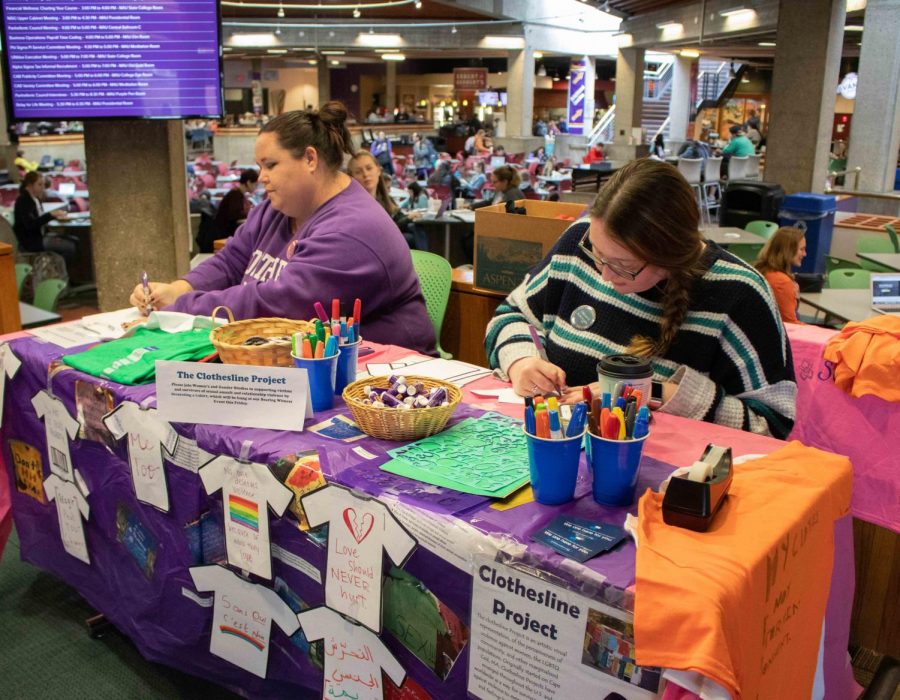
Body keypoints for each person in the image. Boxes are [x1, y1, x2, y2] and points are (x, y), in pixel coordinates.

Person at [484, 159, 796, 438]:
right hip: (558, 448)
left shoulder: (740, 294)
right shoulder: (579, 241)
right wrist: (521, 361)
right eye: (597, 254)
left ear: (671, 255)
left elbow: (771, 425)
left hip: (666, 480)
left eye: (624, 266)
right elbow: (511, 315)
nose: (604, 275)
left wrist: (656, 393)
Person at [130, 102, 435, 355]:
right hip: (298, 364)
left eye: (270, 165)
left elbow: (279, 306)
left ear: (310, 158)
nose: (261, 177)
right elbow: (231, 261)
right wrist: (180, 288)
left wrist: (182, 306)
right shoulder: (277, 209)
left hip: (383, 380)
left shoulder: (353, 230)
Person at [348, 150, 429, 252]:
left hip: (389, 243)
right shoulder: (352, 206)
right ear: (352, 177)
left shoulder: (384, 198)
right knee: (410, 237)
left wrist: (409, 217)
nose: (365, 174)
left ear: (378, 170)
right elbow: (384, 231)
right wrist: (408, 218)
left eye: (369, 168)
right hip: (372, 248)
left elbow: (397, 217)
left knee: (416, 228)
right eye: (358, 172)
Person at [13, 171, 75, 258]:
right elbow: (30, 225)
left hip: (40, 236)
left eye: (44, 184)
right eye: (40, 184)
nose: (43, 188)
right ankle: (58, 269)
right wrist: (50, 215)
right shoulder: (24, 200)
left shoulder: (35, 198)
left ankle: (57, 267)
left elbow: (39, 218)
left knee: (75, 240)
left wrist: (54, 216)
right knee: (70, 246)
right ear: (30, 185)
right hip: (31, 242)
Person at [754, 227, 807, 325]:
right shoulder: (782, 281)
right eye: (802, 249)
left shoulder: (761, 269)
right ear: (788, 250)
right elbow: (790, 325)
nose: (805, 254)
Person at [211, 169, 258, 240]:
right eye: (255, 184)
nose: (256, 187)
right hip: (226, 234)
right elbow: (236, 215)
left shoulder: (239, 194)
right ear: (248, 182)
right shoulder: (235, 195)